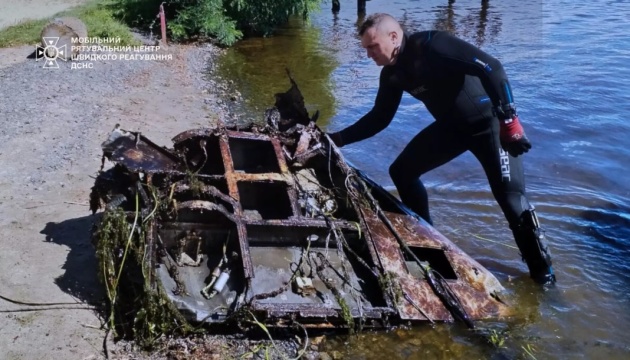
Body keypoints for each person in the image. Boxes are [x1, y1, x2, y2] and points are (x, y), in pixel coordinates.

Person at [327, 13, 556, 285]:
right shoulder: (392, 74)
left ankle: (544, 279)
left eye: (372, 47)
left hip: (490, 127)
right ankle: (429, 244)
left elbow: (492, 67)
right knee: (402, 171)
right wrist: (335, 139)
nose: (369, 55)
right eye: (365, 49)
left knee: (510, 199)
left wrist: (509, 119)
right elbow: (379, 118)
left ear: (393, 36)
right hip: (453, 129)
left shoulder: (433, 45)